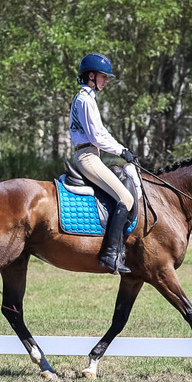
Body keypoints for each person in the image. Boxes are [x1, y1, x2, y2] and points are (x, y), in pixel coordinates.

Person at [69, 53, 136, 274]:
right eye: (103, 76)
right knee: (125, 198)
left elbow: (101, 133)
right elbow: (96, 136)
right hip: (87, 156)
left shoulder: (88, 99)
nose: (106, 80)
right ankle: (109, 255)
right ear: (91, 76)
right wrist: (121, 151)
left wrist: (122, 149)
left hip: (92, 154)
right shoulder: (85, 99)